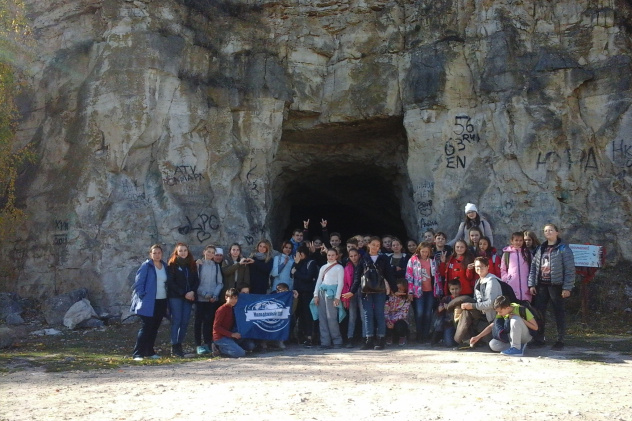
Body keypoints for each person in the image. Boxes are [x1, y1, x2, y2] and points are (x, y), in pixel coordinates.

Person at [528, 224, 575, 350]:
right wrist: (532, 284)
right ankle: (539, 338)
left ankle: (560, 340)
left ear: (557, 232)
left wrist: (567, 287)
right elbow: (534, 267)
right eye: (545, 231)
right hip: (541, 285)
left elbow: (570, 269)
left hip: (556, 285)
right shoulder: (540, 248)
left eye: (550, 230)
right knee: (539, 313)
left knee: (559, 313)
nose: (548, 232)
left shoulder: (563, 248)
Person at [350, 236, 396, 350]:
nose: (375, 247)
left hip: (380, 290)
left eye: (378, 245)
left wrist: (394, 289)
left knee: (379, 314)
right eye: (373, 244)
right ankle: (369, 340)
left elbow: (389, 274)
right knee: (368, 314)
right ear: (368, 244)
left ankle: (381, 339)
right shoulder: (363, 258)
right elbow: (357, 277)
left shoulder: (383, 258)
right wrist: (352, 291)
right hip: (366, 290)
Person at [130, 244, 168, 361]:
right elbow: (138, 283)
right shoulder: (146, 266)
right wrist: (143, 296)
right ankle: (138, 353)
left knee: (154, 328)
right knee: (146, 327)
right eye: (154, 253)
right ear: (150, 254)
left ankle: (150, 352)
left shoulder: (165, 266)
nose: (157, 255)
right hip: (148, 302)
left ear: (162, 254)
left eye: (159, 253)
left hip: (161, 301)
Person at [454, 257, 502, 346]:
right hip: (481, 314)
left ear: (488, 267)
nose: (479, 268)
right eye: (477, 267)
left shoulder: (492, 281)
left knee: (467, 302)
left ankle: (459, 340)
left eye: (481, 266)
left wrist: (472, 306)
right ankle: (464, 341)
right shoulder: (478, 281)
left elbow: (491, 304)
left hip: (492, 319)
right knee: (465, 309)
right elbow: (477, 300)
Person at [470, 295, 538, 357]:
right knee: (493, 344)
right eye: (497, 312)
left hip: (525, 336)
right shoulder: (502, 312)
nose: (499, 314)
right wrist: (478, 337)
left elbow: (535, 327)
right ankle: (519, 346)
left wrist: (520, 318)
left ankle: (516, 349)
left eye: (500, 312)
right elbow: (492, 326)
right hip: (511, 337)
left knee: (515, 319)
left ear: (507, 308)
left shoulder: (521, 309)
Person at [166, 242, 200, 357]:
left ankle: (179, 344)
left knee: (185, 322)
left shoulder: (191, 265)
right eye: (180, 251)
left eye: (185, 250)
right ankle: (174, 346)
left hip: (189, 297)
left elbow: (196, 281)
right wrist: (183, 293)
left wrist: (192, 292)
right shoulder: (172, 265)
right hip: (176, 297)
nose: (183, 253)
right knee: (177, 321)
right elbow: (171, 282)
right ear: (176, 252)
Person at [194, 245, 224, 355]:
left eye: (212, 252)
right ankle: (198, 345)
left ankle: (208, 343)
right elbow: (195, 282)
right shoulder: (199, 265)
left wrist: (215, 295)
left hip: (212, 299)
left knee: (209, 322)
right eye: (208, 251)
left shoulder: (216, 266)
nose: (210, 254)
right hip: (201, 298)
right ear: (204, 252)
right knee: (198, 322)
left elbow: (220, 283)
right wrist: (204, 294)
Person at [313, 249, 345, 349]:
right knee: (322, 318)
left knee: (332, 318)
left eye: (332, 255)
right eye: (329, 255)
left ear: (337, 256)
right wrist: (315, 295)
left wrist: (337, 297)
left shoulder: (339, 267)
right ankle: (325, 342)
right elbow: (318, 281)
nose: (330, 257)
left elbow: (341, 283)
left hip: (332, 294)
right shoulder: (323, 267)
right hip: (322, 292)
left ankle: (337, 341)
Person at [406, 242, 437, 342]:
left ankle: (425, 335)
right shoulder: (413, 260)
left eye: (426, 252)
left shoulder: (432, 261)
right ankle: (419, 334)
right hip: (418, 290)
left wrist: (438, 290)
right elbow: (409, 277)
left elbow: (436, 276)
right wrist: (410, 292)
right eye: (423, 251)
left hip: (430, 290)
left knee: (428, 313)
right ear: (419, 251)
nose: (424, 254)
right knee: (419, 313)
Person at [291, 245, 319, 346]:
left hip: (307, 293)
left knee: (308, 315)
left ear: (302, 254)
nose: (296, 256)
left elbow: (308, 277)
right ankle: (300, 336)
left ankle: (310, 336)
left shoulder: (311, 262)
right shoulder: (297, 263)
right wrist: (296, 263)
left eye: (298, 254)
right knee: (298, 315)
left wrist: (296, 273)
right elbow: (291, 273)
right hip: (298, 293)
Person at [211, 288, 248, 358]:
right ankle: (218, 349)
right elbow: (216, 327)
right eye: (231, 298)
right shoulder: (221, 310)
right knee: (241, 353)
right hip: (220, 337)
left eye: (235, 298)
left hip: (229, 334)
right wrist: (232, 334)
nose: (234, 300)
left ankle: (231, 347)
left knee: (249, 345)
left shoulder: (233, 308)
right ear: (226, 298)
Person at [341, 248, 364, 347]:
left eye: (355, 255)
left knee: (364, 316)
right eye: (351, 256)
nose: (353, 258)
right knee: (352, 316)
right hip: (350, 293)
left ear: (359, 255)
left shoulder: (364, 265)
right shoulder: (347, 267)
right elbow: (345, 283)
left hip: (363, 291)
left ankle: (365, 337)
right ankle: (350, 338)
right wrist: (344, 298)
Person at [501, 232, 532, 301]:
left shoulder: (527, 253)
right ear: (511, 241)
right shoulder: (507, 254)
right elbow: (503, 269)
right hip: (512, 284)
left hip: (526, 285)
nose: (518, 242)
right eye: (516, 240)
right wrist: (506, 279)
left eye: (521, 240)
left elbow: (532, 268)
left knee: (526, 304)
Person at [434, 279, 465, 347]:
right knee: (449, 344)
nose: (454, 291)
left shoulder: (463, 298)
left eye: (456, 289)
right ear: (449, 290)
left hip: (460, 324)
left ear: (460, 289)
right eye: (452, 289)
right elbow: (439, 310)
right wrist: (444, 307)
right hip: (449, 323)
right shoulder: (446, 299)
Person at [385, 279, 411, 346]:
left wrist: (393, 321)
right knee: (383, 324)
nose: (399, 291)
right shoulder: (388, 297)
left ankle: (402, 337)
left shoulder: (406, 300)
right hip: (389, 318)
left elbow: (403, 313)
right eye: (398, 289)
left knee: (400, 325)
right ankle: (389, 336)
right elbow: (385, 310)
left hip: (399, 319)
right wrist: (388, 321)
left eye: (401, 290)